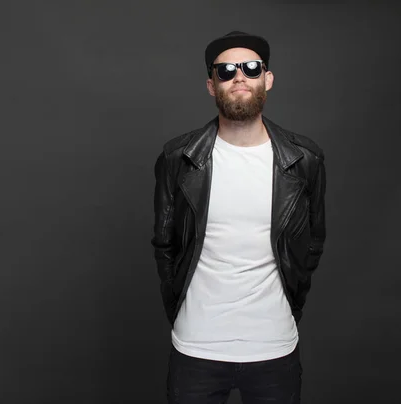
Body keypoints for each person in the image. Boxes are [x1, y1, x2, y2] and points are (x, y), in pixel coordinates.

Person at [151, 31, 326, 404]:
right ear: (212, 85)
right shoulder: (178, 159)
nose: (239, 77)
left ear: (268, 78)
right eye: (226, 70)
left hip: (274, 348)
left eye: (250, 67)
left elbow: (312, 243)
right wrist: (181, 309)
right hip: (196, 348)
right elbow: (164, 244)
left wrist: (291, 308)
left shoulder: (304, 160)